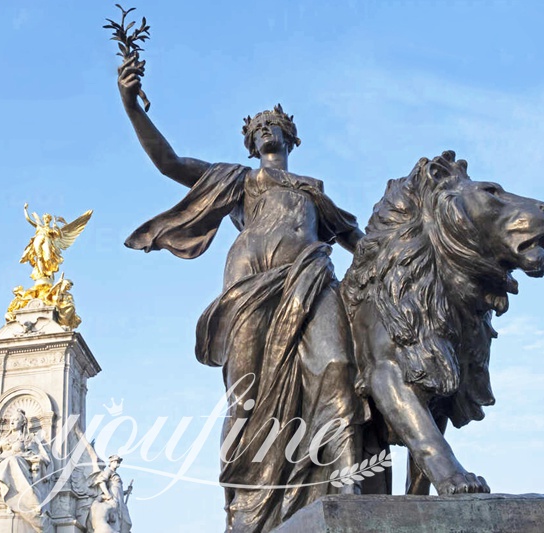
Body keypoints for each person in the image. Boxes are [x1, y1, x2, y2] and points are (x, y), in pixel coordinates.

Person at [117, 55, 367, 532]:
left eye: (273, 124)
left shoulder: (314, 192)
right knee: (247, 397)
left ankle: (349, 484)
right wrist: (133, 107)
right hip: (250, 287)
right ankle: (245, 509)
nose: (266, 129)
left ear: (290, 136)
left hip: (311, 276)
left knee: (337, 365)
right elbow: (170, 163)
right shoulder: (239, 180)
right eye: (258, 127)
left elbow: (363, 245)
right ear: (250, 143)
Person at [0, 409, 53, 532]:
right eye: (11, 420)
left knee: (12, 461)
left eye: (16, 420)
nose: (12, 422)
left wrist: (27, 455)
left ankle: (20, 500)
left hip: (19, 460)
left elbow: (36, 453)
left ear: (23, 423)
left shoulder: (29, 438)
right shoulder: (2, 438)